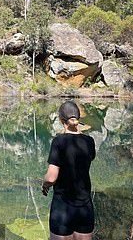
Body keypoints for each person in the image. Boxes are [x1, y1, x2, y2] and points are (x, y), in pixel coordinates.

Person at [42, 101, 96, 240]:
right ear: (78, 118)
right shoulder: (89, 141)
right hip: (85, 207)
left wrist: (45, 185)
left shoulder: (58, 142)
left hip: (62, 207)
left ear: (61, 119)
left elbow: (51, 178)